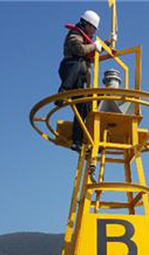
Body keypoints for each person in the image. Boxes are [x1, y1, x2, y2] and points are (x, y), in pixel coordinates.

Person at [56, 10, 112, 151]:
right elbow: (80, 50)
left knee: (84, 108)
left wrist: (104, 46)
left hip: (80, 80)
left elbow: (90, 53)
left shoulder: (85, 39)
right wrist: (95, 46)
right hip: (70, 71)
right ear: (86, 24)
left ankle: (80, 140)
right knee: (77, 61)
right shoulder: (74, 35)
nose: (93, 32)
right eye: (93, 28)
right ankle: (63, 91)